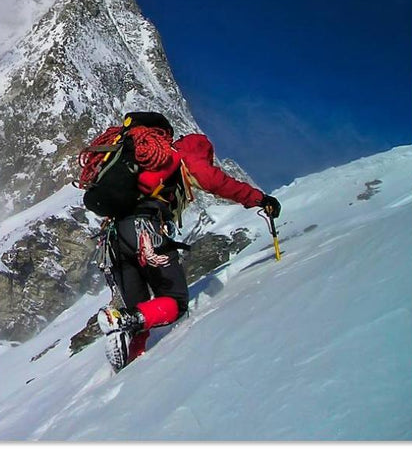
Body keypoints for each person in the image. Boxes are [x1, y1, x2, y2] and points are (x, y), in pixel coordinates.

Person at [82, 112, 281, 371]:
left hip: (113, 241)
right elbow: (216, 182)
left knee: (141, 310)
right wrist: (260, 199)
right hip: (144, 231)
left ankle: (130, 367)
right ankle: (122, 323)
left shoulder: (129, 160)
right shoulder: (180, 152)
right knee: (174, 302)